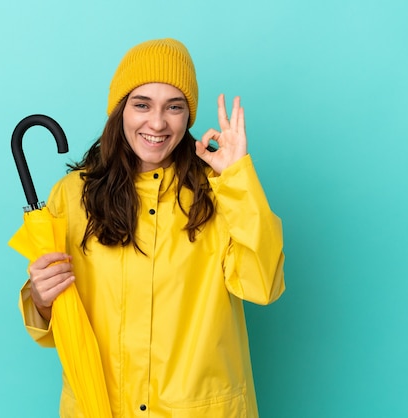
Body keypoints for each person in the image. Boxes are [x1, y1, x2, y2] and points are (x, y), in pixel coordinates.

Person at [18, 38, 285, 417]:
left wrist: (238, 179)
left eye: (174, 107)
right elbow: (54, 315)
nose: (157, 123)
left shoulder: (219, 190)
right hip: (101, 407)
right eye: (142, 104)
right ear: (120, 110)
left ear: (187, 116)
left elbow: (263, 285)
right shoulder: (72, 196)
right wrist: (41, 299)